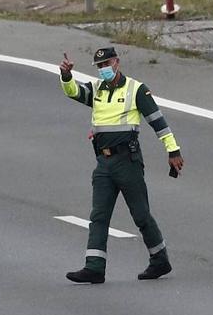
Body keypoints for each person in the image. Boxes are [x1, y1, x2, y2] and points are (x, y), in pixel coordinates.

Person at [59, 47, 184, 284]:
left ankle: (160, 260)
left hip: (127, 161)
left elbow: (158, 121)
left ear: (117, 62)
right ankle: (94, 267)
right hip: (103, 162)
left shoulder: (135, 89)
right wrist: (66, 76)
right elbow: (74, 92)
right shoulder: (97, 89)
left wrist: (173, 150)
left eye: (107, 63)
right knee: (99, 215)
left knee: (140, 214)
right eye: (99, 66)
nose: (103, 68)